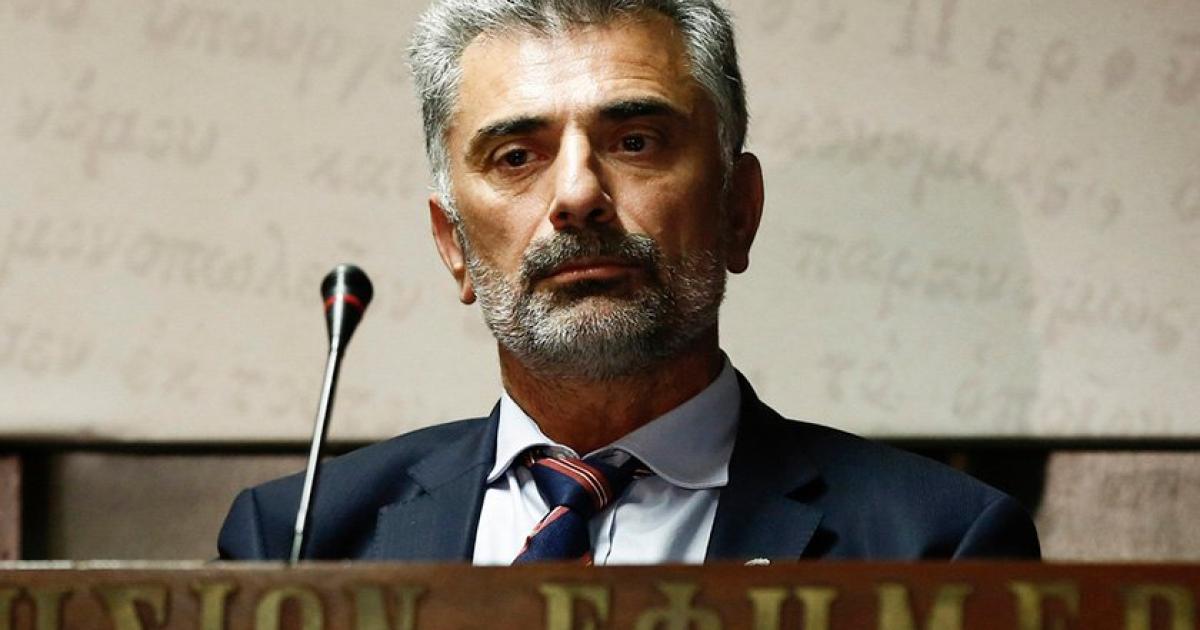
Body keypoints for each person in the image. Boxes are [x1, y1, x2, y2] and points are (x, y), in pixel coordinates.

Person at [218, 0, 1040, 564]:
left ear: (738, 210)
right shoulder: (295, 541)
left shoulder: (934, 543)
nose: (578, 195)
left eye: (636, 142)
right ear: (454, 244)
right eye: (517, 156)